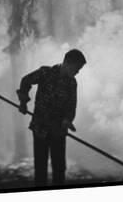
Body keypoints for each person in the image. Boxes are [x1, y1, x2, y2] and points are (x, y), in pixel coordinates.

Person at [17, 49, 87, 187]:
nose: (78, 72)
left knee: (59, 169)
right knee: (41, 169)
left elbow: (71, 107)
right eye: (77, 68)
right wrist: (23, 102)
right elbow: (25, 81)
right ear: (67, 63)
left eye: (79, 69)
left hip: (58, 132)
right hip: (40, 129)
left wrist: (67, 120)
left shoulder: (72, 83)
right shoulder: (45, 73)